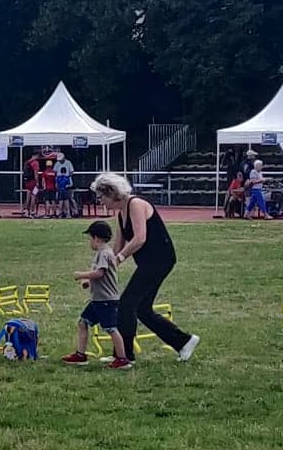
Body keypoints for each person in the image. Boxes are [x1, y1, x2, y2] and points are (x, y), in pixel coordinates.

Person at [92, 173, 199, 361]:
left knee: (127, 303)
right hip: (148, 262)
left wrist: (121, 258)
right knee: (142, 309)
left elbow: (140, 238)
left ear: (111, 192)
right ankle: (184, 341)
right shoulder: (121, 213)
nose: (100, 201)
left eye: (101, 197)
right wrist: (105, 266)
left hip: (160, 260)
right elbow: (118, 245)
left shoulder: (136, 204)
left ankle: (124, 356)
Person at [63, 219, 132, 369]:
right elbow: (101, 276)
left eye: (90, 238)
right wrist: (88, 282)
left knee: (111, 328)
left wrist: (81, 275)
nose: (89, 242)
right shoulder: (105, 253)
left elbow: (100, 273)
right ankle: (80, 355)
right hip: (97, 300)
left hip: (106, 300)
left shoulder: (104, 254)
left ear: (96, 238)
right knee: (83, 322)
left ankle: (122, 359)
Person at [54, 153, 75, 218]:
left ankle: (69, 213)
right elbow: (55, 172)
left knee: (66, 200)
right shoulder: (57, 164)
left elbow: (71, 172)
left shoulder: (68, 163)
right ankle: (64, 213)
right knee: (64, 201)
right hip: (63, 187)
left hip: (64, 187)